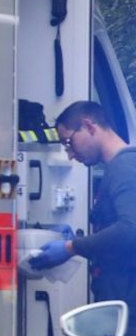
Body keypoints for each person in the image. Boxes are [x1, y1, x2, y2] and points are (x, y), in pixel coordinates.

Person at [30, 101, 136, 318]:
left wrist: (72, 247)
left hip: (128, 310)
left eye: (69, 142)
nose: (69, 154)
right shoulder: (120, 168)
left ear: (89, 126)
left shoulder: (124, 168)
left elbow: (130, 230)